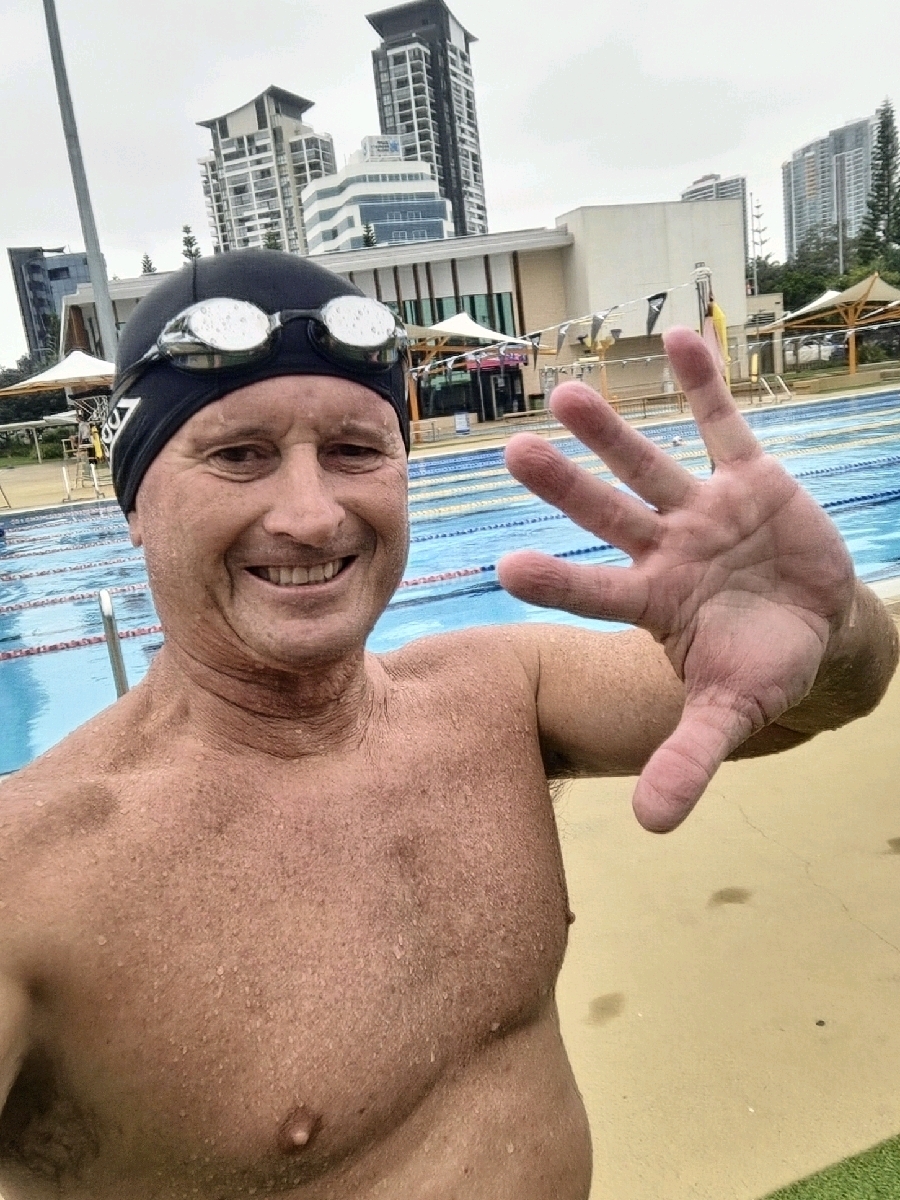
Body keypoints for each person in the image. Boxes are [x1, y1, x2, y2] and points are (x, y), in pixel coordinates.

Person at [0, 251, 896, 1200]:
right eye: (239, 455)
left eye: (355, 451)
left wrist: (831, 625)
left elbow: (824, 697)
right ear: (134, 499)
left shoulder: (500, 692)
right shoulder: (33, 876)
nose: (311, 515)